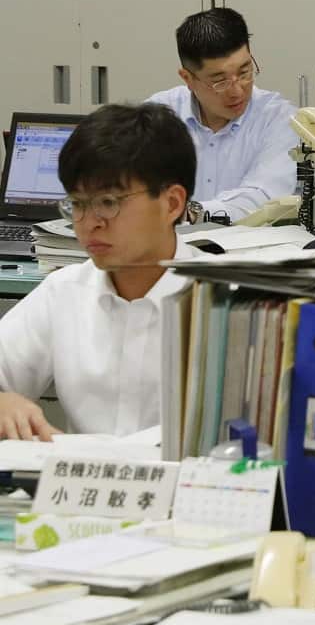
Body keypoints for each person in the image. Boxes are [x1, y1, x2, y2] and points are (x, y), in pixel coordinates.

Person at [0, 103, 203, 439]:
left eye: (108, 203)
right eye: (77, 204)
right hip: (81, 484)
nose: (88, 223)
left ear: (172, 203)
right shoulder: (65, 291)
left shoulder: (225, 300)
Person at [149, 7, 298, 223]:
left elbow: (263, 197)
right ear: (188, 78)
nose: (237, 91)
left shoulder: (279, 119)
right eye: (220, 81)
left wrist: (189, 213)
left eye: (244, 72)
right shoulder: (159, 117)